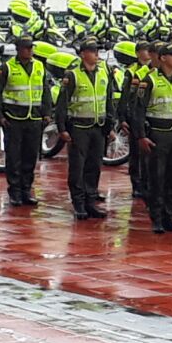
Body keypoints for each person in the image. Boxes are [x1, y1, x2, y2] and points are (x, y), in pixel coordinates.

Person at [131, 44, 172, 234]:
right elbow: (138, 111)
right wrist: (141, 136)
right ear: (163, 58)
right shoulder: (149, 80)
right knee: (157, 178)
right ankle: (157, 217)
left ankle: (170, 216)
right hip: (158, 134)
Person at [55, 38, 112, 221]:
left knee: (94, 166)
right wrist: (62, 128)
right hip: (79, 127)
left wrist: (110, 126)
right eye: (93, 51)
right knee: (77, 167)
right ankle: (78, 203)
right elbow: (62, 104)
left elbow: (108, 100)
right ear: (83, 54)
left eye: (97, 51)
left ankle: (90, 201)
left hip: (98, 127)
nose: (97, 54)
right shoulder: (72, 75)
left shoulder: (104, 72)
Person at [0, 36, 51, 207]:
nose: (30, 51)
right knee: (14, 157)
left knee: (31, 157)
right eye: (26, 48)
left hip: (34, 119)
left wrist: (47, 113)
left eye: (31, 48)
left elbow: (45, 91)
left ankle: (27, 190)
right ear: (18, 49)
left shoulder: (39, 66)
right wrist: (0, 116)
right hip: (14, 119)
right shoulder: (7, 68)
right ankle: (15, 192)